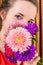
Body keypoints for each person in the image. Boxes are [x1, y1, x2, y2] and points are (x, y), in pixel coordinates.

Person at [0, 0, 40, 65]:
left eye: (29, 22)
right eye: (18, 16)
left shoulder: (29, 58)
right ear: (3, 14)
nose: (24, 26)